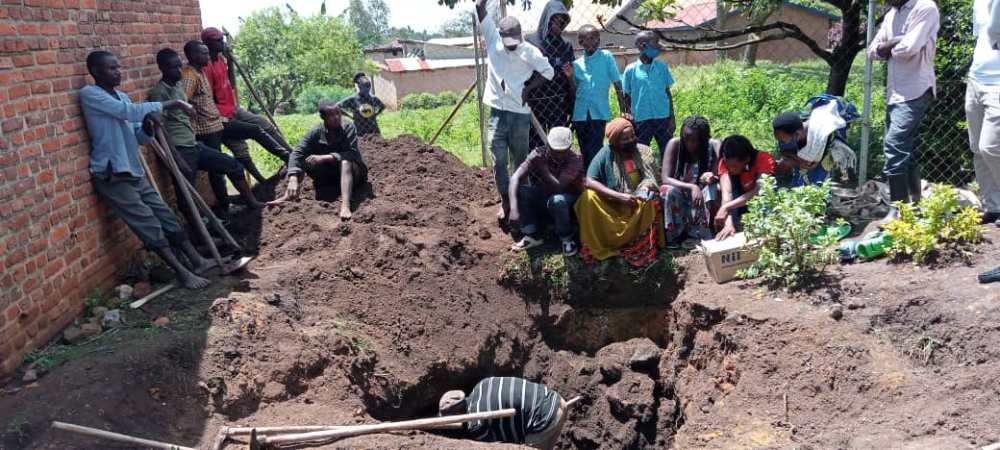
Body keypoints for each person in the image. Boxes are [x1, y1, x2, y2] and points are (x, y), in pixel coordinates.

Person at [80, 50, 214, 289]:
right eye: (111, 68)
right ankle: (183, 273)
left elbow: (139, 137)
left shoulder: (123, 96)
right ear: (95, 72)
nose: (117, 71)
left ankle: (197, 260)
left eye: (118, 66)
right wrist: (172, 102)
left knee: (165, 216)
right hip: (113, 175)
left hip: (134, 171)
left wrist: (148, 125)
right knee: (148, 225)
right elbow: (126, 113)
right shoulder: (90, 95)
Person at [148, 48, 264, 213]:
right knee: (186, 195)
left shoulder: (179, 86)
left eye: (179, 66)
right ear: (162, 68)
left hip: (194, 145)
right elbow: (160, 129)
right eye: (173, 67)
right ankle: (201, 234)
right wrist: (176, 158)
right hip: (180, 150)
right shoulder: (159, 93)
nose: (179, 71)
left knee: (233, 165)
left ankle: (252, 202)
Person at [475, 0, 555, 224]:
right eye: (507, 39)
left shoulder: (529, 51)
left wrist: (528, 88)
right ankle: (505, 201)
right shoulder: (492, 39)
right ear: (499, 35)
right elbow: (480, 9)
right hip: (497, 114)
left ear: (520, 35)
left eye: (515, 40)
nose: (511, 44)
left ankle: (523, 203)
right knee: (498, 161)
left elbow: (548, 72)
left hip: (520, 114)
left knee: (520, 161)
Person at [867, 0, 939, 220]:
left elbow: (910, 49)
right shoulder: (891, 14)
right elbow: (872, 51)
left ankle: (899, 209)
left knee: (895, 144)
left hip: (916, 89)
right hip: (895, 92)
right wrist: (894, 41)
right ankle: (914, 203)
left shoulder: (925, 8)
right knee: (903, 148)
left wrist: (889, 45)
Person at [180, 41, 289, 184]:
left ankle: (288, 157)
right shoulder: (190, 76)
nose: (223, 44)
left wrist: (229, 60)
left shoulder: (205, 68)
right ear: (194, 56)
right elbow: (182, 103)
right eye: (204, 53)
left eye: (207, 53)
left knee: (256, 129)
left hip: (218, 121)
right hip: (207, 128)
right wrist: (195, 118)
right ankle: (226, 203)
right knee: (218, 168)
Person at [575, 118, 663, 264]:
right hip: (615, 203)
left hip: (636, 204)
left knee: (650, 202)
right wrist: (619, 196)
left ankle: (640, 247)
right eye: (625, 139)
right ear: (615, 141)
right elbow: (590, 181)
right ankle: (599, 245)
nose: (631, 140)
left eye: (632, 136)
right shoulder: (605, 153)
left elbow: (653, 179)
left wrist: (645, 186)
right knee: (588, 197)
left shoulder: (643, 151)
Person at [271, 102, 368, 220]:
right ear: (323, 118)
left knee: (345, 161)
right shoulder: (315, 132)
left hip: (354, 174)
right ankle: (289, 195)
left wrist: (325, 157)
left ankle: (345, 205)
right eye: (332, 115)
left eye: (338, 113)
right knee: (300, 160)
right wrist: (293, 177)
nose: (337, 117)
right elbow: (297, 152)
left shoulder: (348, 127)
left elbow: (352, 153)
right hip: (330, 176)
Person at [508, 127, 585, 256]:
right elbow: (515, 178)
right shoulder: (538, 154)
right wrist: (514, 209)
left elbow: (559, 187)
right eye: (555, 150)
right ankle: (532, 235)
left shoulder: (575, 159)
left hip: (569, 200)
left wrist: (543, 168)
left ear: (570, 147)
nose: (558, 155)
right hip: (546, 195)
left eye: (563, 151)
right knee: (522, 191)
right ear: (548, 144)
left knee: (557, 200)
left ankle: (567, 239)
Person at [438, 377, 570, 450]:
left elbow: (499, 446)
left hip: (543, 419)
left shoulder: (476, 424)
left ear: (458, 414)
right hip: (554, 399)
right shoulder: (481, 384)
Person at [569, 25, 627, 168]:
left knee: (596, 149)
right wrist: (570, 77)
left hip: (598, 113)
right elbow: (574, 90)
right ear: (580, 42)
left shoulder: (606, 57)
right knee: (584, 149)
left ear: (599, 40)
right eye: (586, 39)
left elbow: (617, 82)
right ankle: (589, 180)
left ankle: (596, 178)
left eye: (595, 38)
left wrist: (623, 108)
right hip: (580, 114)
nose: (592, 42)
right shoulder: (576, 64)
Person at [660, 116, 721, 245]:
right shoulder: (675, 144)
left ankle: (705, 234)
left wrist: (712, 176)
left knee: (715, 189)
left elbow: (723, 171)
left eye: (695, 140)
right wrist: (692, 187)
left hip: (703, 197)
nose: (689, 143)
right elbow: (665, 178)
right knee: (666, 190)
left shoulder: (713, 146)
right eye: (686, 138)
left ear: (704, 138)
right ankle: (675, 237)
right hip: (681, 195)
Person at [966, 0, 1000, 226]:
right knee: (977, 148)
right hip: (976, 78)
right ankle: (993, 206)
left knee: (991, 147)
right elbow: (984, 36)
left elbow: (993, 29)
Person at [525, 0, 574, 150]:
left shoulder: (565, 45)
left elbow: (570, 74)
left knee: (558, 144)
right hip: (535, 102)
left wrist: (569, 76)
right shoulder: (530, 41)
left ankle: (558, 173)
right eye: (556, 21)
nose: (559, 26)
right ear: (547, 19)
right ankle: (536, 173)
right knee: (535, 146)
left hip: (557, 103)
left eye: (563, 23)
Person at [623, 31, 676, 163]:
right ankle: (645, 176)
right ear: (642, 45)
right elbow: (626, 96)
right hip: (641, 118)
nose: (658, 46)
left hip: (662, 116)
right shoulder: (631, 70)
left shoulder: (662, 67)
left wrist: (672, 117)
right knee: (641, 151)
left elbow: (667, 92)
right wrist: (629, 118)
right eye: (655, 43)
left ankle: (667, 176)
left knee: (667, 149)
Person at [714, 135, 775, 241]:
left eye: (735, 166)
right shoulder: (725, 162)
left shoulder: (763, 159)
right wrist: (728, 223)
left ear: (746, 159)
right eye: (729, 166)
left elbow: (758, 191)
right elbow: (727, 195)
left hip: (760, 201)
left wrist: (725, 207)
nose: (731, 169)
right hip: (739, 200)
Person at [771, 112, 829, 187]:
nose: (780, 142)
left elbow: (811, 165)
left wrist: (794, 161)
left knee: (819, 185)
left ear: (797, 134)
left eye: (781, 140)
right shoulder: (785, 134)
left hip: (822, 157)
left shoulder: (817, 137)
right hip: (803, 160)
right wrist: (794, 160)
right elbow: (783, 151)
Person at [338, 72, 386, 137]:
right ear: (359, 87)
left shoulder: (373, 98)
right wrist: (349, 116)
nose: (367, 90)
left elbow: (383, 106)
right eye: (365, 88)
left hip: (373, 129)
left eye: (368, 87)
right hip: (359, 130)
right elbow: (337, 107)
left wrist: (376, 114)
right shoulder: (353, 99)